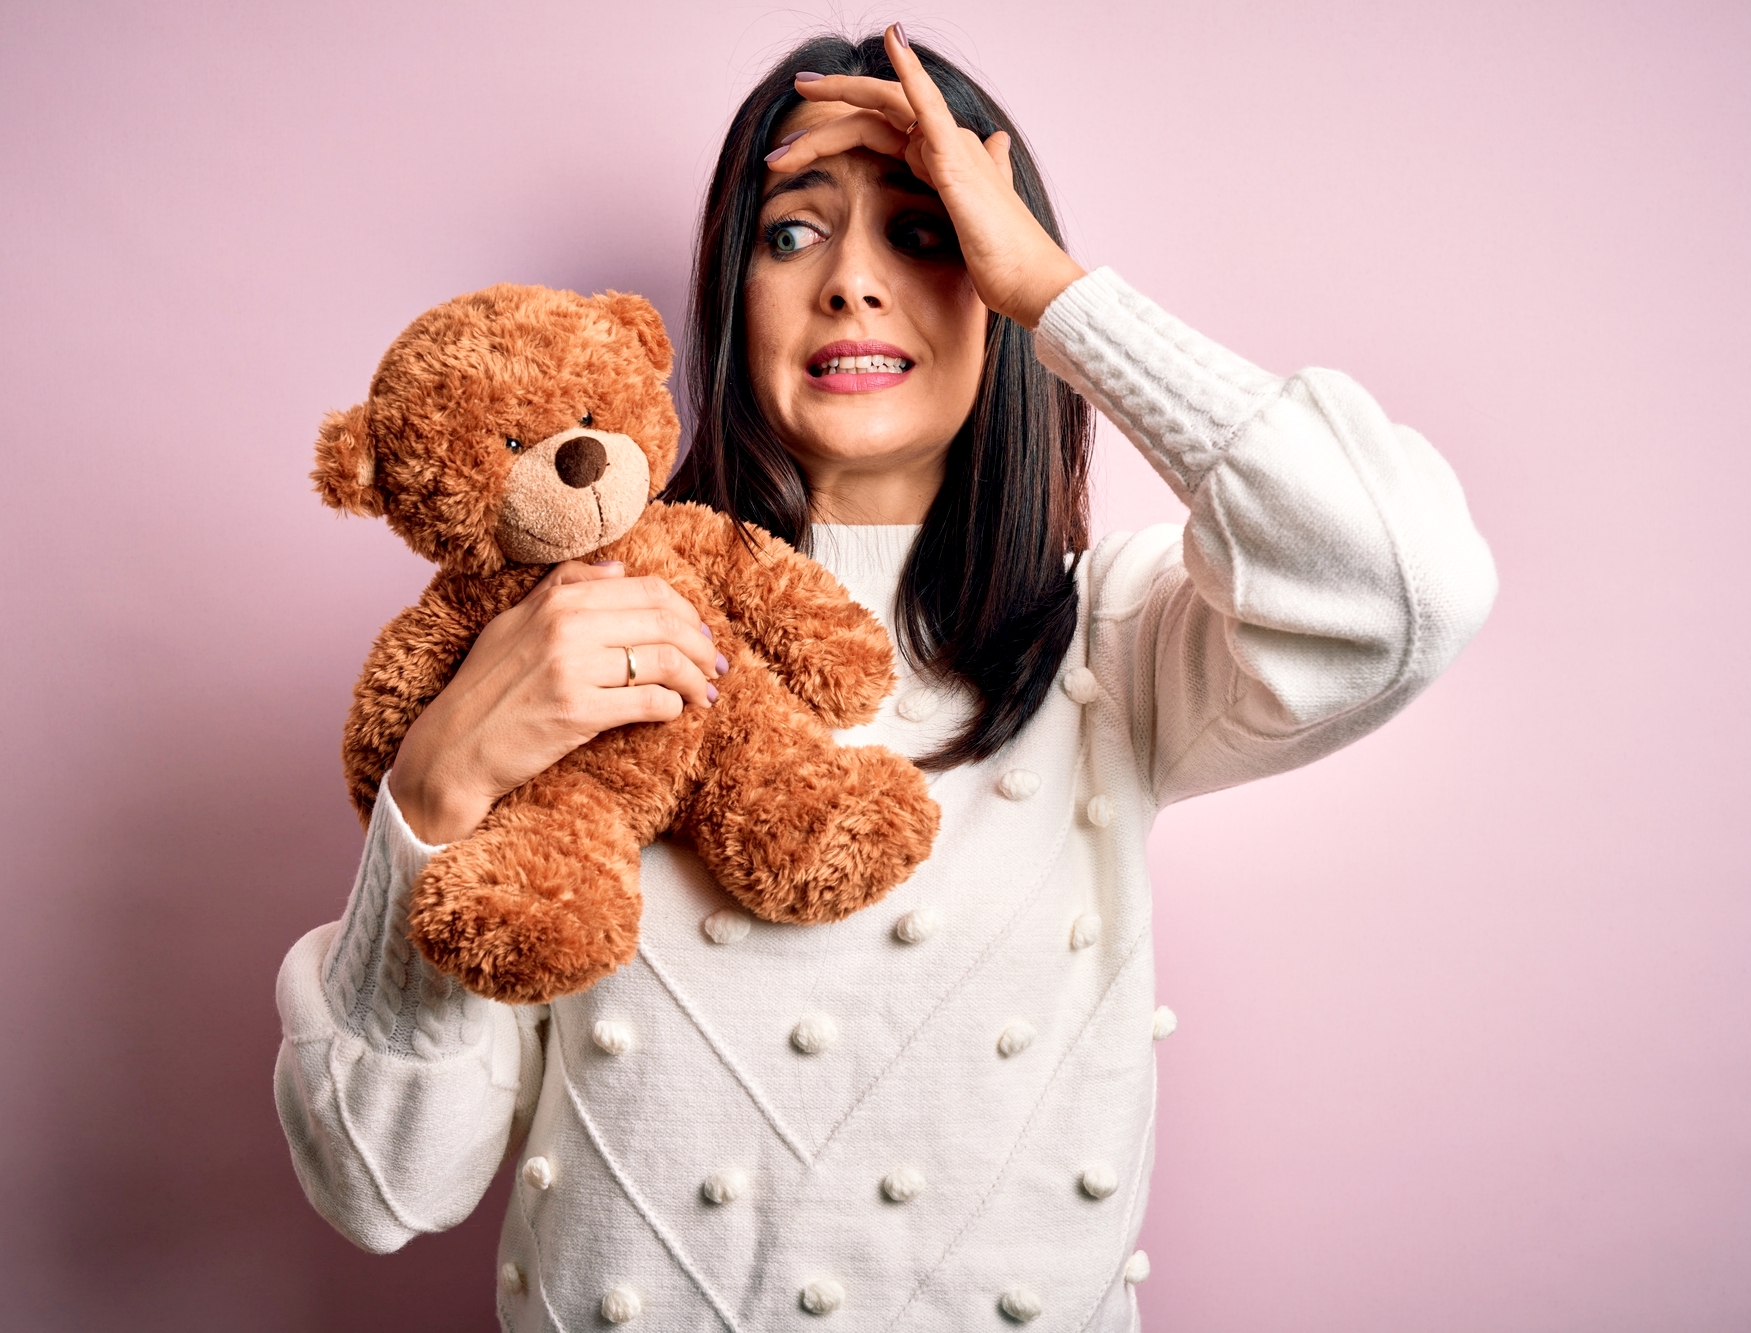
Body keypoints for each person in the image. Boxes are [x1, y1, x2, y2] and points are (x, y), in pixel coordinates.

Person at [274, 25, 1496, 1331]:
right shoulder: (573, 636)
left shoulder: (1116, 636)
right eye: (793, 233)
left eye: (924, 234)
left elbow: (1405, 587)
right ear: (723, 297)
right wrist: (439, 781)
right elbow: (380, 1183)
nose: (853, 282)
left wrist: (1056, 289)